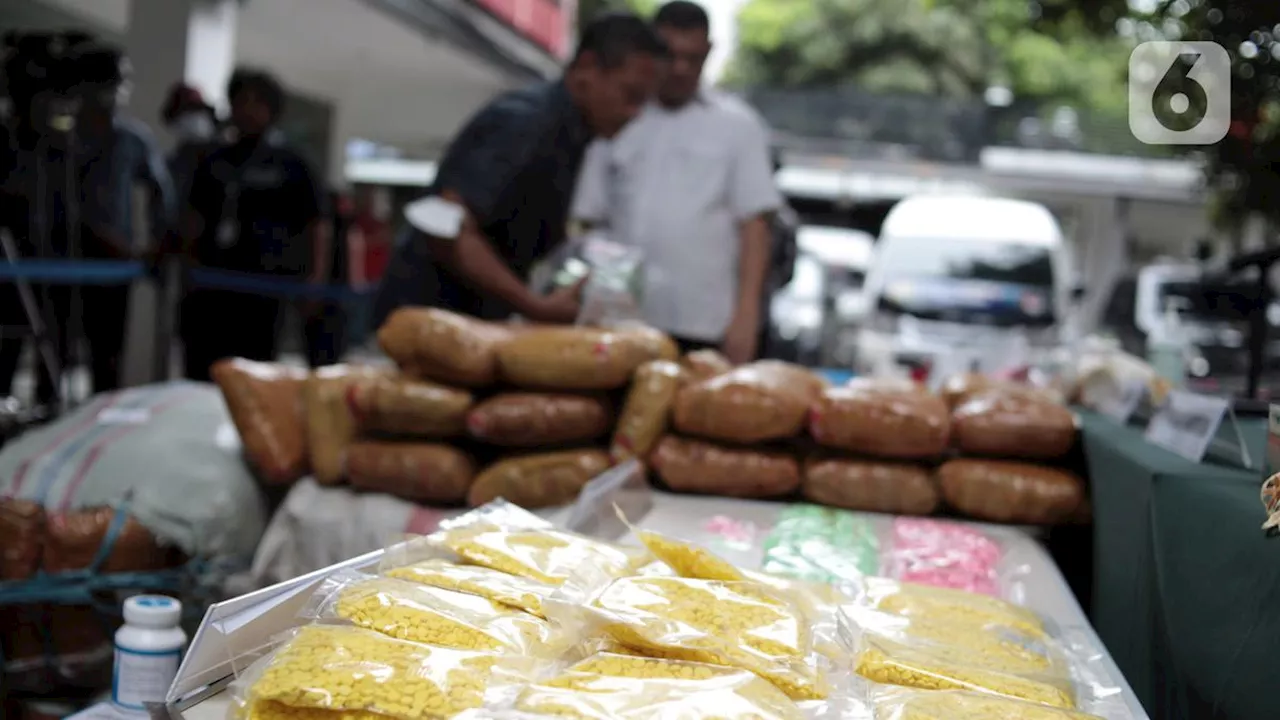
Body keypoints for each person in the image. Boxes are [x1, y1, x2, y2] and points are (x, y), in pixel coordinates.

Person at [373, 12, 667, 326]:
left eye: (644, 102)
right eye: (631, 96)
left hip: (475, 322)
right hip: (429, 319)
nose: (635, 114)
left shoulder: (574, 136)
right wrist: (534, 305)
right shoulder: (526, 122)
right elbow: (446, 227)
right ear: (587, 67)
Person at [571, 1, 782, 362]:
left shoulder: (739, 126)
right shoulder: (619, 112)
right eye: (671, 56)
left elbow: (755, 225)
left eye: (694, 58)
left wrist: (747, 317)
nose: (682, 69)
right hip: (620, 321)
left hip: (703, 323)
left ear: (709, 52)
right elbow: (586, 222)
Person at [180, 68, 329, 381]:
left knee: (254, 372)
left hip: (264, 288)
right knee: (204, 368)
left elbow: (317, 223)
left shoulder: (291, 163)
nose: (246, 110)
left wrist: (315, 278)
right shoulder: (214, 160)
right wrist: (190, 261)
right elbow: (195, 216)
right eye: (240, 101)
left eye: (255, 103)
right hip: (214, 285)